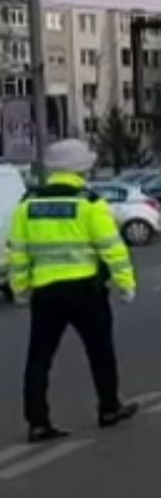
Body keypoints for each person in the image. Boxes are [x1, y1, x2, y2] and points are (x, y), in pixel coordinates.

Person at [6, 139, 139, 442]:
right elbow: (112, 249)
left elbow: (17, 252)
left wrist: (20, 289)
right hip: (85, 291)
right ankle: (109, 408)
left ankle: (38, 422)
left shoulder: (28, 204)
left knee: (39, 359)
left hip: (46, 293)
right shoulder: (89, 203)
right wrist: (125, 284)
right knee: (100, 352)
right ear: (81, 168)